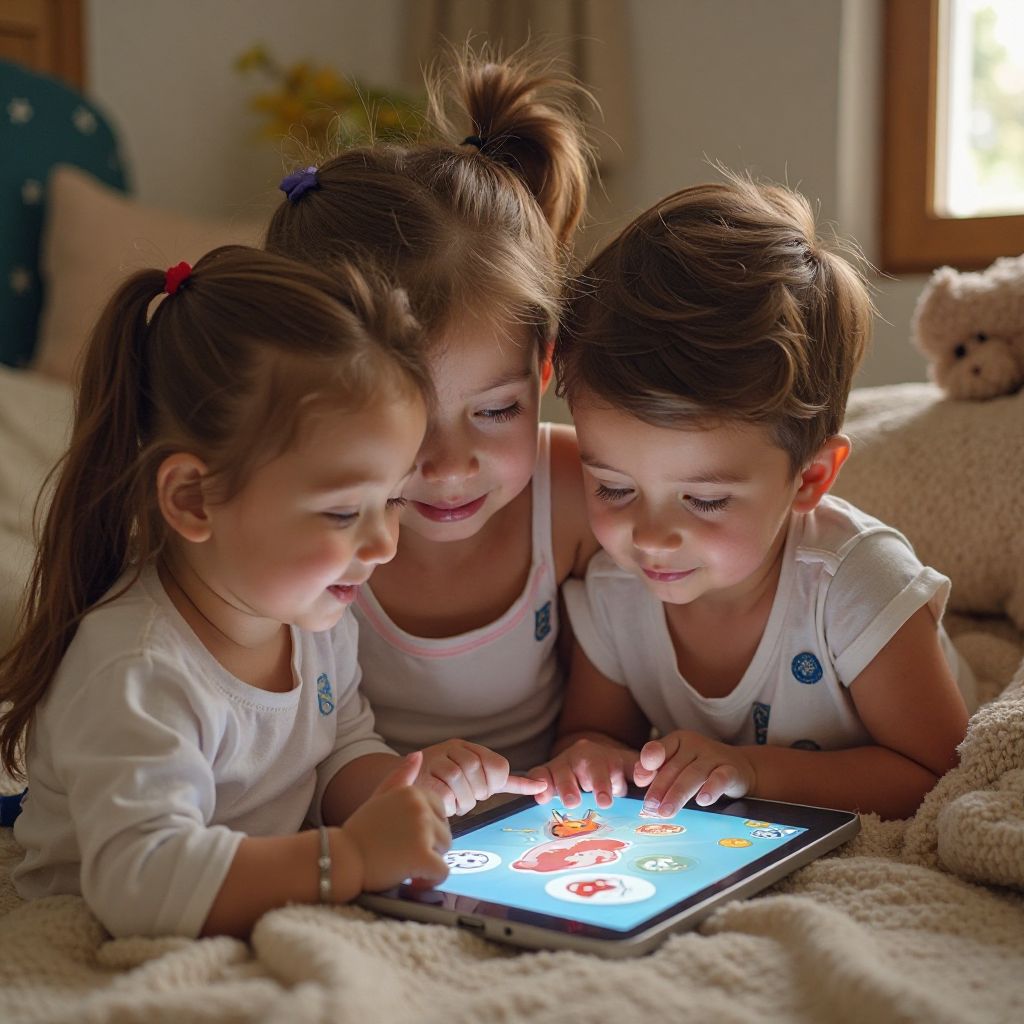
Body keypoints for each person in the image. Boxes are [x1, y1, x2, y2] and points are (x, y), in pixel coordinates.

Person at [0, 246, 453, 939]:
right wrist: (352, 855)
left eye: (393, 500)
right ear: (194, 499)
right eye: (342, 511)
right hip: (100, 914)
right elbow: (141, 883)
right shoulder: (138, 669)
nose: (385, 543)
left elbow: (338, 746)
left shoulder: (316, 619)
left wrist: (400, 796)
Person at [533, 175, 976, 821]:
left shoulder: (855, 586)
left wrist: (751, 771)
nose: (650, 536)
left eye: (706, 500)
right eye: (613, 487)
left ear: (810, 480)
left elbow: (937, 771)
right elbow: (591, 734)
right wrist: (589, 758)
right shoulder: (615, 591)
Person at [265, 46, 600, 808]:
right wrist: (403, 792)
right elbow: (290, 755)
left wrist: (592, 750)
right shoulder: (296, 538)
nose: (451, 468)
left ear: (543, 371)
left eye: (496, 411)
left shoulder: (579, 493)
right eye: (409, 428)